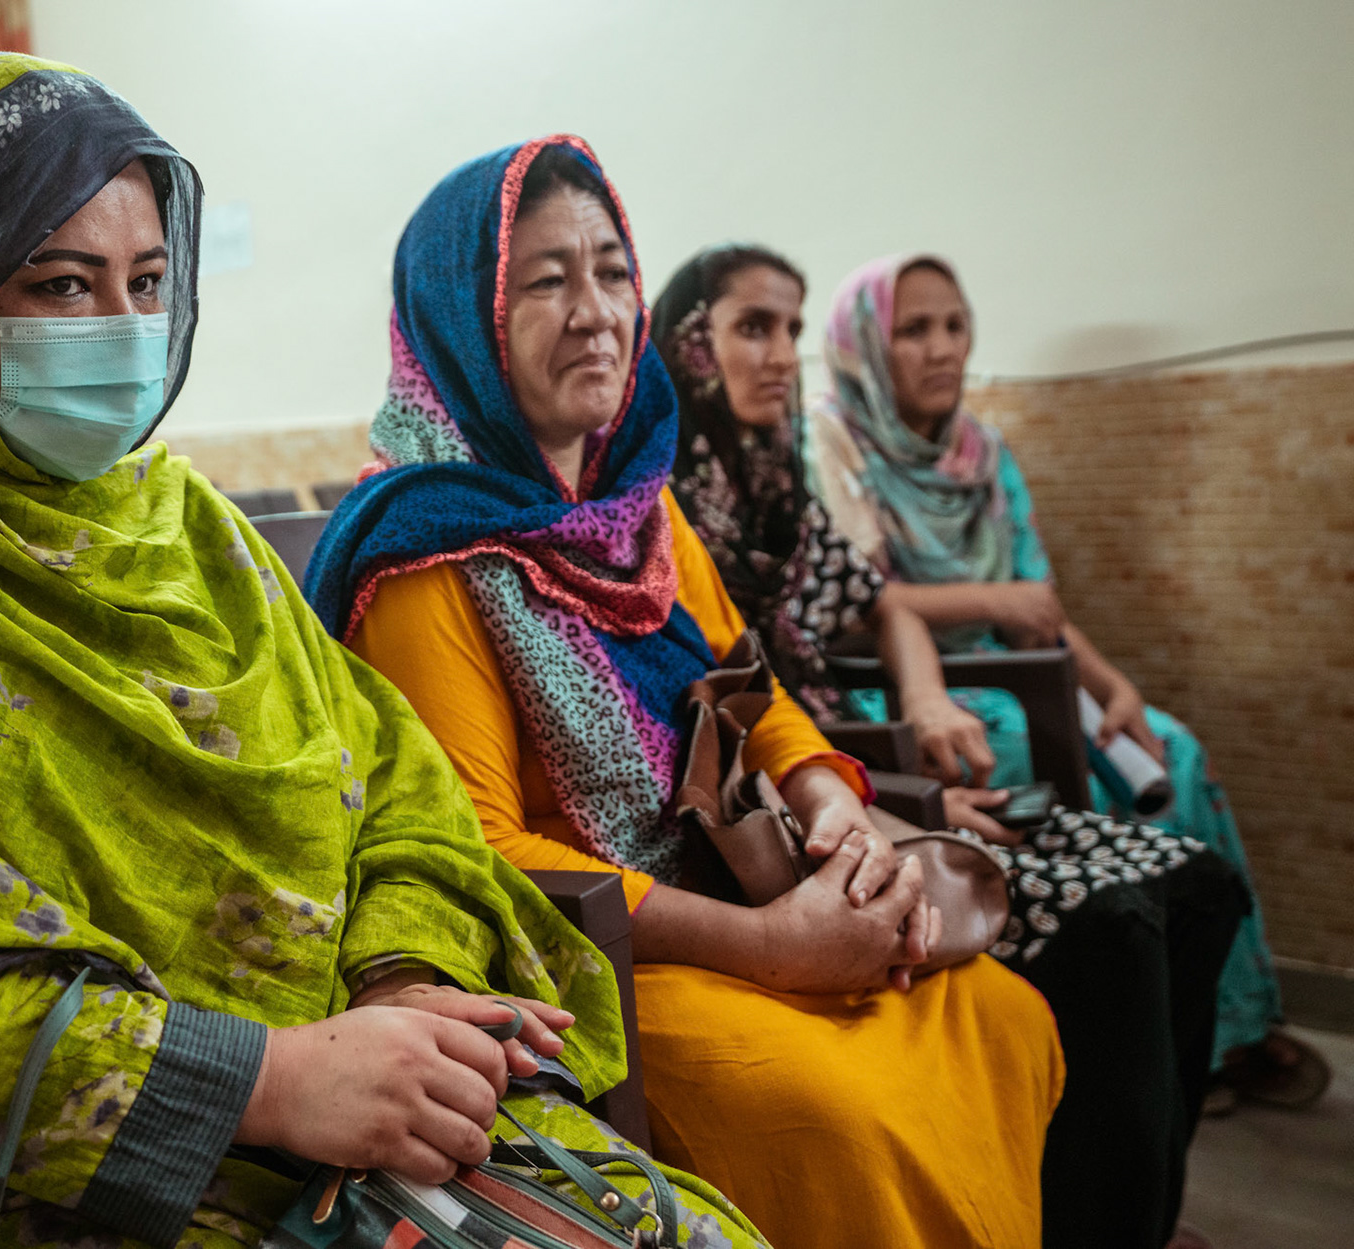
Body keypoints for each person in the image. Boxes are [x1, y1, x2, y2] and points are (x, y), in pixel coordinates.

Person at [0, 58, 768, 1249]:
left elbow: (397, 788)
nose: (124, 330)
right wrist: (271, 1080)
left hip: (386, 1110)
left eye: (150, 282)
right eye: (62, 284)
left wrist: (402, 983)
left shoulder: (186, 530)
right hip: (73, 1196)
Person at [307, 136, 1062, 1248]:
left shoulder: (638, 512)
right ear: (463, 320)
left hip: (740, 891)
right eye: (545, 281)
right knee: (844, 1113)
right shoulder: (426, 558)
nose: (596, 312)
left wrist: (836, 809)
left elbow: (752, 693)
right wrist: (774, 947)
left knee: (1002, 1013)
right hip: (600, 964)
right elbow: (485, 852)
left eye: (614, 271)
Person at [655, 243, 1249, 1248]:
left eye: (792, 329)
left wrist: (927, 705)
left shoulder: (776, 494)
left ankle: (1136, 1212)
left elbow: (883, 605)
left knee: (1199, 888)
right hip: (818, 817)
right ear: (688, 347)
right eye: (753, 327)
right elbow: (720, 736)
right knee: (1115, 925)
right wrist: (898, 798)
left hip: (854, 778)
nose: (782, 354)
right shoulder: (661, 519)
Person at [804, 253, 1326, 1111]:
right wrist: (993, 602)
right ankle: (1127, 1038)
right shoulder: (828, 443)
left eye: (955, 325)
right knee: (1030, 748)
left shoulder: (982, 454)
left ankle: (1221, 1026)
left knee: (1171, 749)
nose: (943, 347)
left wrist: (1112, 684)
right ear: (864, 345)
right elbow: (852, 606)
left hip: (1015, 667)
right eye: (914, 329)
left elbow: (1034, 605)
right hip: (897, 684)